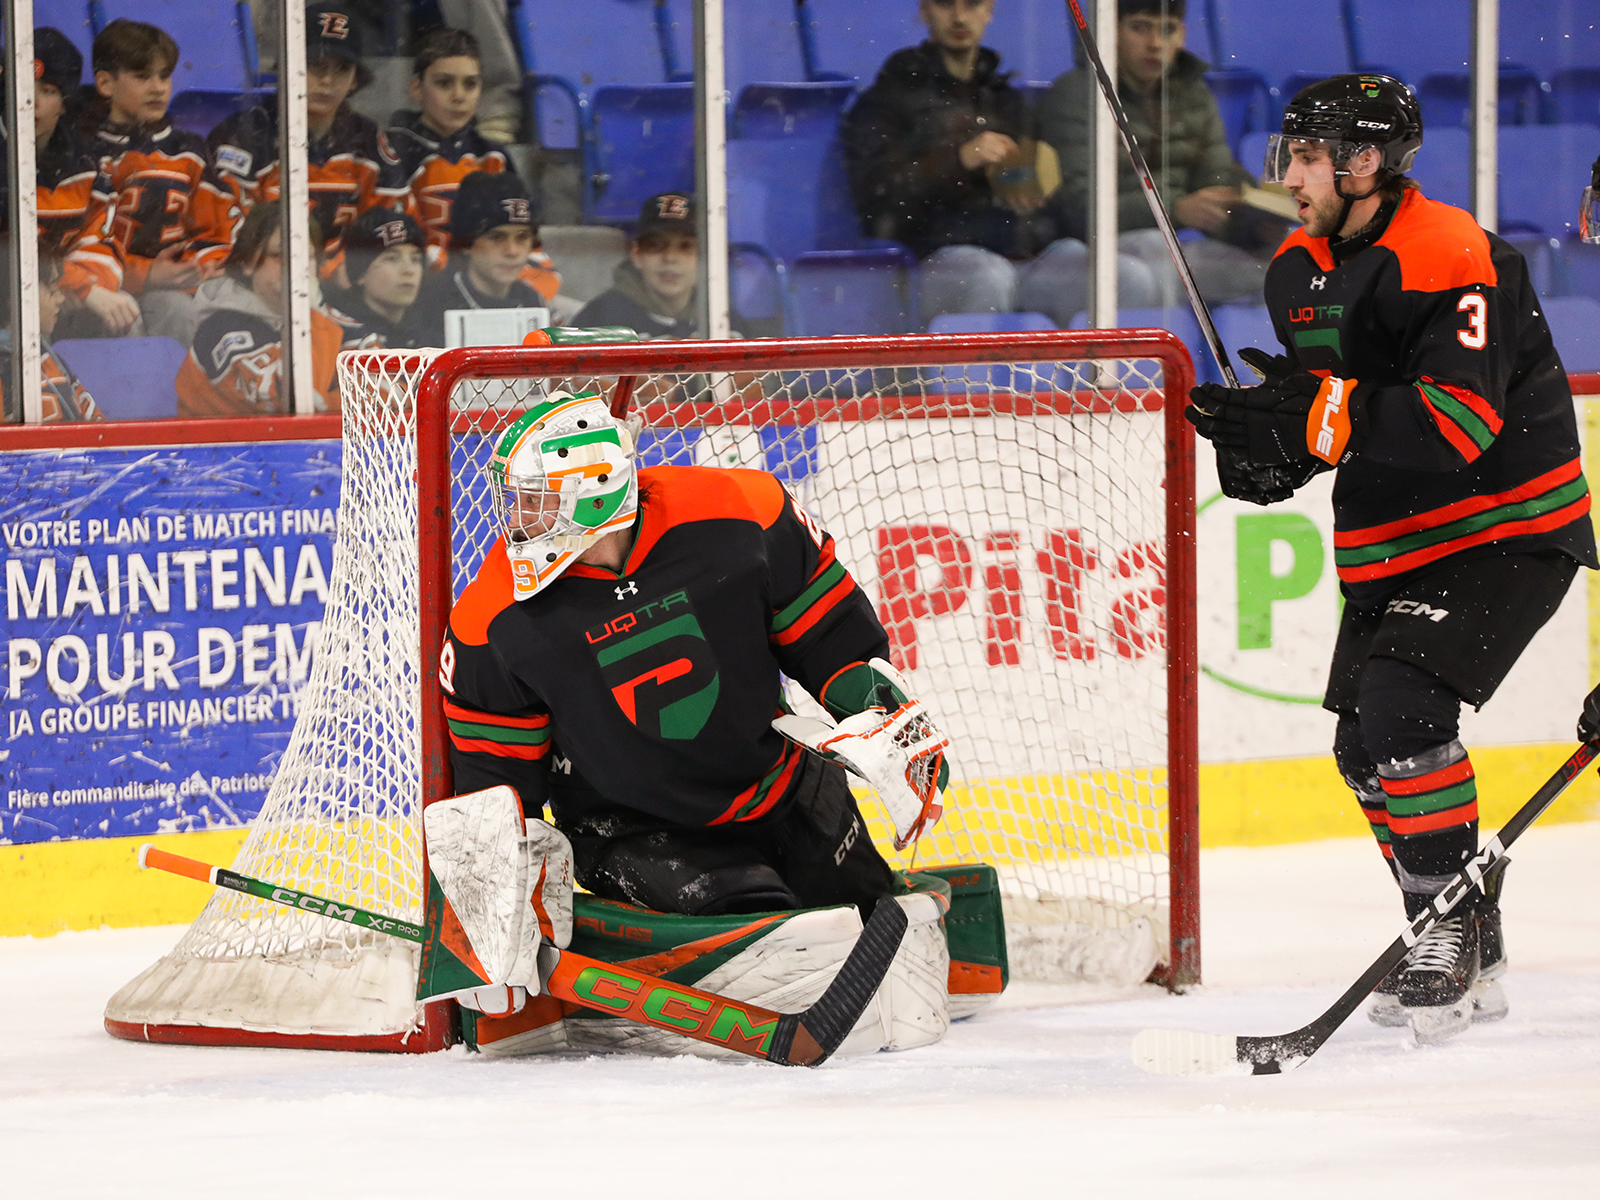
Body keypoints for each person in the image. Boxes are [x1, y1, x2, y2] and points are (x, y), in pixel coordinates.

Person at [1186, 75, 1597, 1046]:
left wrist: (1316, 420)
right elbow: (1348, 417)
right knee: (1360, 747)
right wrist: (1270, 454)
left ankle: (1444, 926)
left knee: (1401, 709)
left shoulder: (1451, 252)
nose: (1285, 173)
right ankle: (1463, 926)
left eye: (1304, 154)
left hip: (1507, 524)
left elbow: (1453, 425)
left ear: (1362, 162)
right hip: (1398, 538)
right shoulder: (1296, 268)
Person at [435, 389, 955, 1050]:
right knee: (782, 944)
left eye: (535, 499)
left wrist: (894, 725)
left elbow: (834, 644)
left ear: (592, 492)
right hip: (638, 830)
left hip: (786, 791)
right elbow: (495, 795)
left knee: (875, 919)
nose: (518, 518)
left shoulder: (742, 512)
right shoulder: (492, 621)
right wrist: (486, 921)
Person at [839, 0, 1154, 324]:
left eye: (973, 4)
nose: (960, 17)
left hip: (1023, 257)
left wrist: (1035, 194)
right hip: (935, 260)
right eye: (946, 4)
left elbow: (1048, 196)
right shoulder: (888, 98)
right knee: (987, 278)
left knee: (1125, 277)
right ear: (924, 11)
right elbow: (877, 196)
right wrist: (959, 159)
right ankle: (971, 377)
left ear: (989, 11)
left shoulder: (1006, 101)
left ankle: (1093, 375)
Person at [1035, 0, 1287, 312]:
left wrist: (1251, 222)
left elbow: (1215, 174)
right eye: (1140, 28)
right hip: (1091, 252)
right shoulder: (1076, 94)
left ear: (1182, 35)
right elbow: (1079, 209)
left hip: (1174, 245)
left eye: (1167, 30)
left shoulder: (1194, 93)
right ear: (1111, 31)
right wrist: (1176, 210)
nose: (1155, 44)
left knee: (1281, 269)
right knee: (1158, 255)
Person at [384, 26, 566, 307]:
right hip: (424, 291)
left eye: (470, 84)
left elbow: (525, 239)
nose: (459, 96)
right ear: (416, 88)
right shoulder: (394, 152)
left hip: (491, 284)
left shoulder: (493, 156)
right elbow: (397, 244)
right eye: (444, 83)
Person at [207, 2, 397, 271]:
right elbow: (232, 235)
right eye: (315, 64)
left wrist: (347, 270)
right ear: (286, 65)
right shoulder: (244, 134)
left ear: (356, 79)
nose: (328, 80)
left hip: (349, 285)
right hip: (266, 285)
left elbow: (394, 228)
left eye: (342, 68)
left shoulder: (368, 140)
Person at [80, 19, 232, 346]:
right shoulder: (81, 149)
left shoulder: (189, 150)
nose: (158, 87)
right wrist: (145, 275)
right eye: (142, 76)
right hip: (100, 290)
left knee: (179, 311)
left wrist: (199, 268)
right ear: (105, 84)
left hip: (171, 291)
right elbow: (74, 242)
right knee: (124, 319)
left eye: (164, 75)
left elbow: (218, 230)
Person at [22, 27, 139, 339]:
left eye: (47, 90)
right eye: (21, 86)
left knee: (124, 313)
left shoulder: (85, 163)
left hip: (59, 292)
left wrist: (87, 288)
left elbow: (99, 242)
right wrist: (82, 288)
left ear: (64, 103)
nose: (31, 102)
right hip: (11, 302)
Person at [177, 205, 342, 416]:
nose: (297, 267)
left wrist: (327, 404)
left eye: (306, 256)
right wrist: (308, 311)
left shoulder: (328, 319)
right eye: (280, 255)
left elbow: (391, 389)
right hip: (220, 448)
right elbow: (290, 403)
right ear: (247, 262)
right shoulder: (221, 328)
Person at [411, 170, 548, 344]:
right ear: (467, 243)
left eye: (522, 237)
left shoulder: (531, 300)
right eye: (497, 237)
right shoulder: (429, 304)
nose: (512, 251)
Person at [573, 192, 701, 337]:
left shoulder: (720, 316)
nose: (670, 258)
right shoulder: (600, 318)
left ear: (704, 257)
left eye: (685, 247)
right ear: (636, 255)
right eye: (655, 246)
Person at [1, 251, 105, 424]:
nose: (60, 298)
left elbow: (96, 427)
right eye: (51, 289)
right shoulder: (7, 368)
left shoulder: (44, 354)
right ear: (14, 295)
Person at [324, 207, 428, 349]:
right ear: (361, 275)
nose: (409, 270)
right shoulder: (338, 334)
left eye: (415, 259)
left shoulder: (430, 329)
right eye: (392, 259)